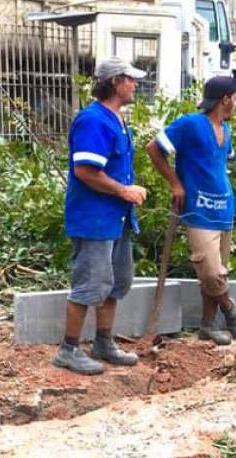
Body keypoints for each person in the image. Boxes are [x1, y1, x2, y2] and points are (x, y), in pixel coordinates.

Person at [52, 57, 149, 376]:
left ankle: (103, 343)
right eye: (130, 79)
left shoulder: (117, 120)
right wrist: (124, 191)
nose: (136, 84)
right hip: (94, 219)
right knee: (89, 284)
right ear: (114, 83)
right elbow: (85, 171)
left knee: (116, 283)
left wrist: (126, 196)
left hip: (116, 219)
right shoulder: (93, 121)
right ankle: (68, 349)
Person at [147, 75, 236, 346]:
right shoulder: (191, 124)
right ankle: (229, 308)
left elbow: (217, 164)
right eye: (235, 98)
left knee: (217, 273)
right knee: (210, 271)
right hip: (198, 209)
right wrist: (176, 184)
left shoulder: (225, 130)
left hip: (223, 208)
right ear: (225, 98)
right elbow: (154, 149)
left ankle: (207, 326)